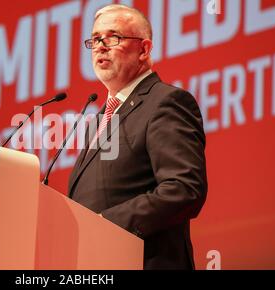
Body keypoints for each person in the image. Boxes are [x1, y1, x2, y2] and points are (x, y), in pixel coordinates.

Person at [68, 4, 207, 270]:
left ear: (143, 49)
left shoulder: (165, 102)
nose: (100, 46)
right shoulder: (98, 119)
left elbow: (184, 188)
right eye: (96, 39)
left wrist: (104, 224)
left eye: (113, 38)